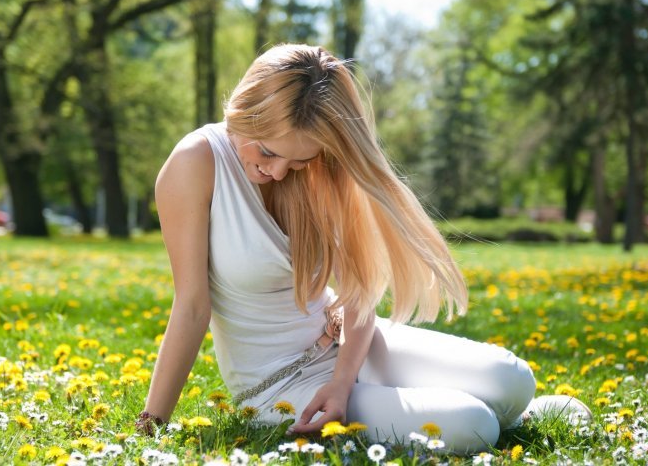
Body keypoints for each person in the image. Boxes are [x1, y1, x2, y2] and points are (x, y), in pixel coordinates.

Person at [137, 44, 590, 453]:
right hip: (278, 383)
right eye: (269, 153)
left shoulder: (313, 170)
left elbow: (357, 291)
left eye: (298, 160)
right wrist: (150, 425)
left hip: (347, 345)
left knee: (512, 380)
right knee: (474, 427)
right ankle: (496, 418)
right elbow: (193, 306)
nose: (278, 173)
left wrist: (341, 381)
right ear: (247, 111)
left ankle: (511, 411)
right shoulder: (194, 163)